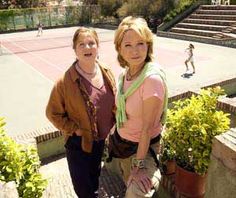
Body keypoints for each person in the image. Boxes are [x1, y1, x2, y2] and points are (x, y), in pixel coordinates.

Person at [46, 27, 116, 198]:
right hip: (79, 143)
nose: (87, 48)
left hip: (99, 140)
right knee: (83, 189)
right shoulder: (64, 82)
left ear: (98, 46)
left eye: (91, 43)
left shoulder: (106, 72)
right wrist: (74, 129)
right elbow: (52, 113)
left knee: (94, 178)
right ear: (75, 49)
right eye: (81, 44)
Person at [110, 16, 168, 198]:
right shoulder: (124, 76)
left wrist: (140, 167)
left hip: (143, 150)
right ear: (119, 48)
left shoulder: (151, 80)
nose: (135, 51)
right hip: (124, 146)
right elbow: (121, 111)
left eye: (140, 43)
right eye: (128, 45)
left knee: (136, 193)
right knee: (127, 179)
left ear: (148, 45)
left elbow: (146, 129)